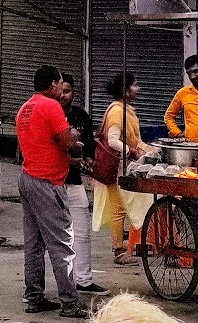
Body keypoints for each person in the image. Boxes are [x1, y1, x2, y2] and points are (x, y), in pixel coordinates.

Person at [15, 64, 83, 317]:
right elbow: (67, 141)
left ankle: (34, 297)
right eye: (60, 85)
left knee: (33, 243)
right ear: (53, 84)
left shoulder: (24, 109)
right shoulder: (51, 106)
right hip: (47, 182)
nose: (62, 91)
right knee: (61, 243)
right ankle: (69, 302)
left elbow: (38, 145)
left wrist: (69, 161)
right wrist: (74, 134)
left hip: (28, 177)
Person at [93, 72, 155, 268]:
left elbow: (134, 140)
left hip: (124, 166)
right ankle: (119, 251)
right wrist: (132, 151)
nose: (138, 88)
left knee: (123, 208)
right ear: (126, 90)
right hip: (117, 168)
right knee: (119, 209)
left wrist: (151, 150)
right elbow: (113, 141)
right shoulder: (117, 112)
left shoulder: (125, 110)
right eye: (135, 85)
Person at [58, 73, 106, 294]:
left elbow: (89, 148)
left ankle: (84, 280)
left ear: (73, 92)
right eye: (61, 90)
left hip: (74, 182)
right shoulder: (50, 113)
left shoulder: (82, 116)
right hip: (52, 182)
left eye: (67, 91)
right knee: (53, 236)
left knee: (83, 231)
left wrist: (88, 161)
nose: (63, 95)